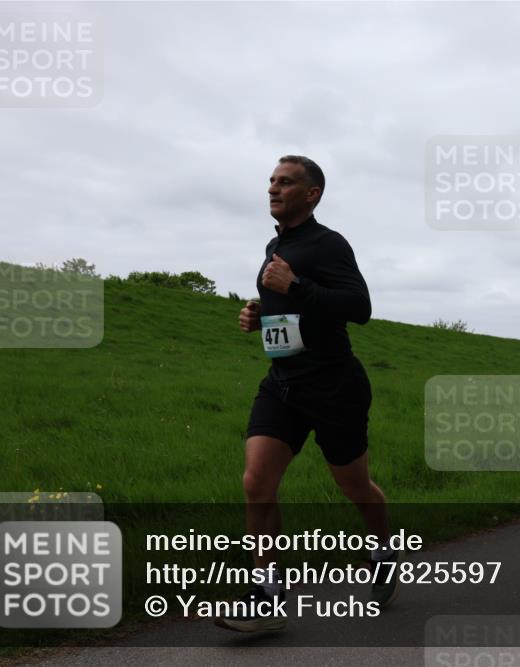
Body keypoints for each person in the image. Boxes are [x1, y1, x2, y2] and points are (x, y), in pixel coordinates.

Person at [217, 155, 398, 632]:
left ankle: (384, 550)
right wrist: (258, 313)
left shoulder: (329, 244)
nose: (273, 189)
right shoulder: (275, 244)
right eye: (271, 181)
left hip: (334, 385)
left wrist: (294, 285)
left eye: (286, 182)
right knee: (256, 480)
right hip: (282, 383)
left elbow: (359, 306)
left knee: (354, 485)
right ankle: (267, 595)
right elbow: (289, 307)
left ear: (311, 193)